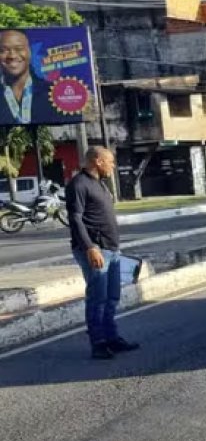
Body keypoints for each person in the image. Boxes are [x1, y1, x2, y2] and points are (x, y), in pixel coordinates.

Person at [67, 146, 139, 360]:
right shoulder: (79, 184)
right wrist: (90, 247)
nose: (113, 166)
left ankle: (111, 338)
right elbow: (75, 219)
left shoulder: (99, 184)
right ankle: (98, 343)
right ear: (98, 161)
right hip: (95, 250)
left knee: (112, 297)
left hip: (112, 249)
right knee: (97, 299)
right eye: (111, 161)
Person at [0, 29, 53, 126]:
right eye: (3, 50)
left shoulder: (53, 92)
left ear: (30, 52)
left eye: (19, 49)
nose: (12, 55)